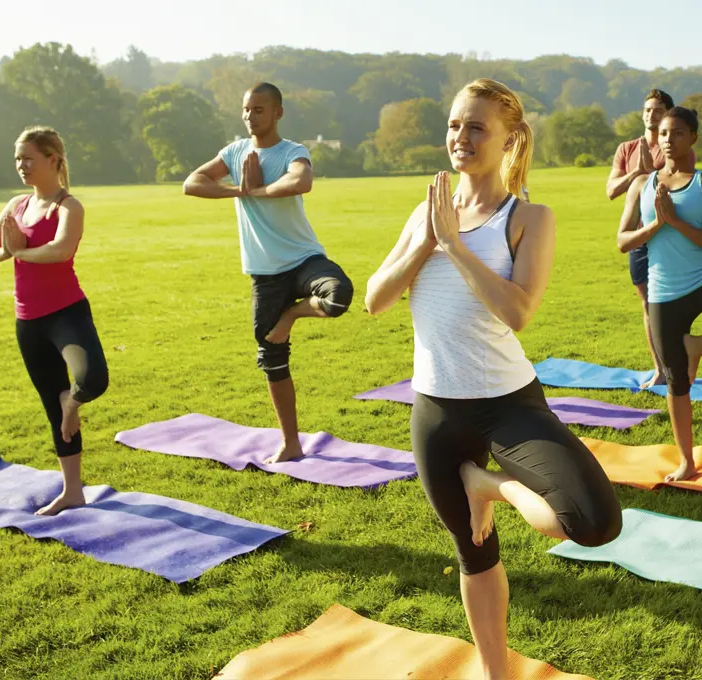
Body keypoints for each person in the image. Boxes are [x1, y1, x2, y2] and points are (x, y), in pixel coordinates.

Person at [365, 78, 622, 680]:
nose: (461, 136)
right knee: (473, 553)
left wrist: (456, 248)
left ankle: (487, 484)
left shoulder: (529, 217)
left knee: (590, 521)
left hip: (508, 404)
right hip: (437, 409)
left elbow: (519, 311)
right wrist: (425, 241)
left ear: (510, 139)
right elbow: (376, 299)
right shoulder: (426, 213)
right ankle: (495, 673)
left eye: (476, 126)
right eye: (455, 124)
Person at [183, 82, 354, 464]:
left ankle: (291, 314)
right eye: (246, 110)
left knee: (339, 294)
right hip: (265, 274)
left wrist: (258, 191)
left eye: (258, 110)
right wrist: (239, 191)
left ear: (277, 112)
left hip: (304, 260)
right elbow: (191, 183)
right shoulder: (235, 152)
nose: (250, 116)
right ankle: (291, 443)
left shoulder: (292, 151)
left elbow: (301, 180)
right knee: (272, 358)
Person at [0, 126, 109, 516]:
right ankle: (72, 490)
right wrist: (7, 253)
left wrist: (21, 251)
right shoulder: (16, 205)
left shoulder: (69, 206)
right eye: (18, 159)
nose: (21, 166)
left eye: (29, 158)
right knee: (52, 403)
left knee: (92, 379)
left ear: (53, 159)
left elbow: (61, 250)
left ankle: (73, 403)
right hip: (28, 322)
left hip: (66, 313)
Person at [617, 107, 702, 482]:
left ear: (693, 139)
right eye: (663, 133)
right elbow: (623, 241)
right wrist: (656, 224)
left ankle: (701, 345)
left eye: (677, 133)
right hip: (663, 295)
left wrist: (675, 221)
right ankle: (686, 461)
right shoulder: (641, 185)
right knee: (676, 382)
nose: (668, 139)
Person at [607, 89, 696, 388]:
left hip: (672, 233)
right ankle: (660, 369)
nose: (651, 115)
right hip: (641, 236)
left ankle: (682, 361)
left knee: (675, 305)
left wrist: (651, 173)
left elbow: (683, 180)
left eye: (658, 110)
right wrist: (637, 174)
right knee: (648, 305)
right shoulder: (627, 148)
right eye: (647, 110)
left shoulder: (676, 144)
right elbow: (611, 191)